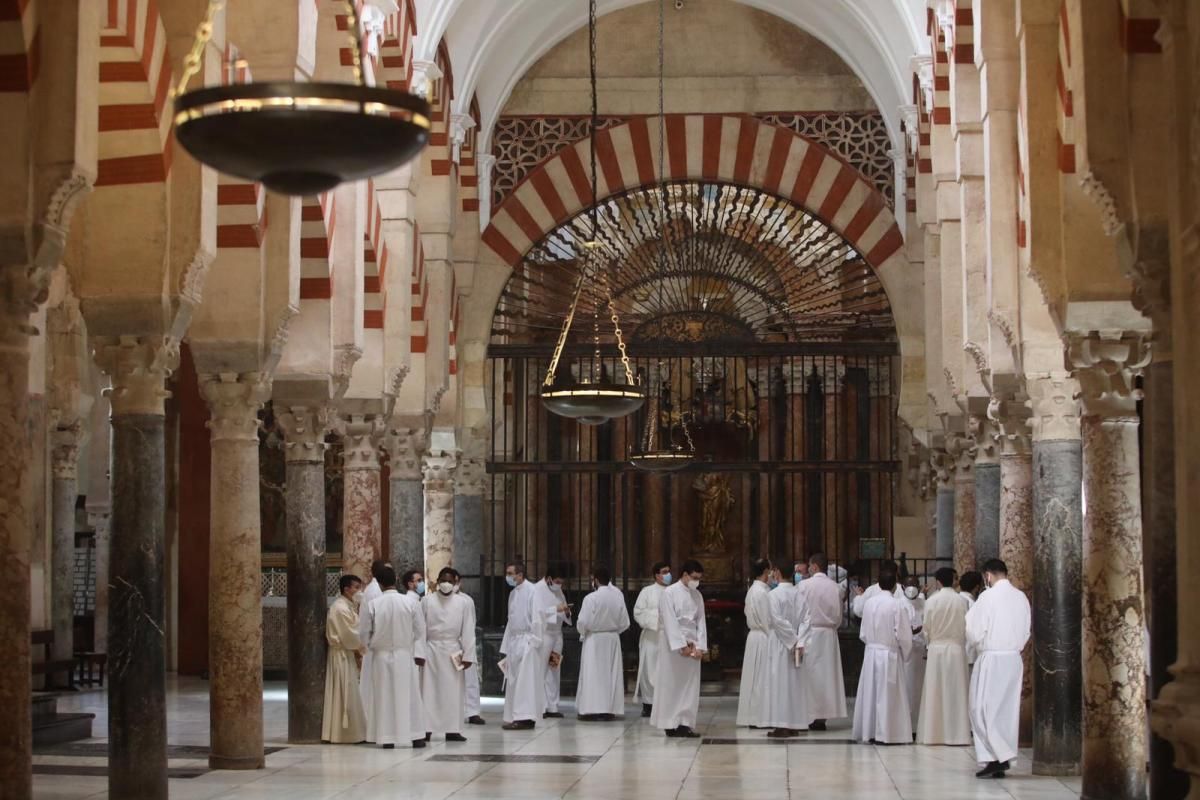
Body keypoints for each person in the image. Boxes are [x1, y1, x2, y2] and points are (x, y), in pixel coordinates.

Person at [966, 559, 1031, 778]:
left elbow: (974, 631)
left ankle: (997, 757)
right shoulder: (1021, 596)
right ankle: (1000, 756)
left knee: (982, 708)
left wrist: (976, 644)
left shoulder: (988, 596)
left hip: (992, 658)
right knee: (1006, 710)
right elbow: (1026, 630)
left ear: (988, 575)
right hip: (1013, 658)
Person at [357, 565, 427, 749]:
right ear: (396, 580)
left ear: (379, 583)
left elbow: (363, 632)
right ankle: (416, 735)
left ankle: (387, 737)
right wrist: (408, 641)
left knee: (384, 695)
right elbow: (420, 631)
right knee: (410, 694)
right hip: (404, 654)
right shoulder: (410, 603)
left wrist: (371, 643)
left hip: (381, 655)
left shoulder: (374, 604)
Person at [852, 570, 913, 744]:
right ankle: (886, 733)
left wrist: (873, 644)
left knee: (871, 693)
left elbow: (863, 633)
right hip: (889, 654)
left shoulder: (869, 603)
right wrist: (905, 652)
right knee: (887, 695)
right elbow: (903, 633)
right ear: (895, 585)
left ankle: (869, 731)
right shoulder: (897, 605)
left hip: (871, 653)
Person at [650, 559, 707, 738]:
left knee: (689, 686)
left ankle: (685, 723)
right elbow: (669, 621)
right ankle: (669, 723)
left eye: (699, 579)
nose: (696, 581)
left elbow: (701, 622)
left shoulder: (697, 595)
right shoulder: (670, 593)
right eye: (694, 577)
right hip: (673, 646)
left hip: (692, 644)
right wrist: (681, 645)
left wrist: (700, 647)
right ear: (684, 575)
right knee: (671, 684)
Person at [499, 561, 559, 730]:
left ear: (520, 574)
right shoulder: (513, 594)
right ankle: (514, 715)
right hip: (514, 640)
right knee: (514, 680)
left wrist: (533, 641)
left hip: (527, 641)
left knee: (526, 681)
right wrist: (507, 646)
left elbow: (538, 618)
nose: (508, 576)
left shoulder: (532, 591)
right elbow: (511, 621)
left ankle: (525, 717)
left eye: (511, 573)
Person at [917, 567, 971, 745]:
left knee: (935, 691)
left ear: (938, 582)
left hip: (936, 650)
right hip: (956, 650)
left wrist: (931, 641)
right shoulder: (961, 601)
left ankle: (934, 734)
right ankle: (957, 735)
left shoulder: (932, 601)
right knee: (956, 691)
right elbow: (967, 626)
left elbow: (926, 628)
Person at [422, 567, 476, 743]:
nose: (446, 584)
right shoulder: (427, 601)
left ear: (455, 583)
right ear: (437, 582)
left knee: (453, 691)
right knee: (429, 690)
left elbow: (468, 629)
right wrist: (419, 652)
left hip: (453, 649)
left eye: (450, 581)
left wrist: (468, 655)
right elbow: (419, 629)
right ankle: (427, 728)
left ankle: (452, 729)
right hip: (431, 648)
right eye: (443, 580)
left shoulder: (463, 603)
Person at [797, 552, 847, 730]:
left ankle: (809, 713)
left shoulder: (804, 585)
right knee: (827, 676)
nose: (808, 569)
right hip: (828, 635)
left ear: (815, 566)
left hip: (810, 633)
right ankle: (822, 717)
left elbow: (799, 611)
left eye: (810, 566)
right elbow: (839, 615)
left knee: (810, 675)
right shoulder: (836, 588)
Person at [575, 565, 631, 720]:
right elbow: (625, 622)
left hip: (594, 639)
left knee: (593, 674)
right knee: (611, 674)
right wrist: (613, 631)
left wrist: (583, 632)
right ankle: (608, 710)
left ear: (596, 580)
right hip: (612, 639)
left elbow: (582, 622)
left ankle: (591, 710)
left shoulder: (591, 598)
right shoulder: (617, 596)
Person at [764, 566, 811, 738]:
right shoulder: (799, 594)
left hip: (780, 642)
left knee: (779, 682)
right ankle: (793, 722)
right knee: (793, 682)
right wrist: (800, 640)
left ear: (777, 573)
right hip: (796, 643)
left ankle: (782, 724)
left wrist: (792, 641)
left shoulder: (773, 595)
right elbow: (807, 619)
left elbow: (777, 621)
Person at [322, 574, 367, 743]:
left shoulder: (349, 605)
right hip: (340, 654)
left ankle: (352, 732)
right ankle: (343, 734)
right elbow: (350, 634)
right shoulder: (340, 608)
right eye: (356, 587)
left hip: (346, 653)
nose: (359, 591)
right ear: (346, 589)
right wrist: (363, 644)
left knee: (350, 691)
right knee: (344, 691)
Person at [736, 557, 775, 727]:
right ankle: (759, 716)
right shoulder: (763, 592)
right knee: (761, 678)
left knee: (754, 678)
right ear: (766, 572)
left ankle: (752, 715)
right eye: (771, 570)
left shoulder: (753, 590)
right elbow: (768, 619)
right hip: (763, 636)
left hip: (754, 637)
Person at [632, 561, 671, 718]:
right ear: (656, 575)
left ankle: (666, 702)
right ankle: (648, 704)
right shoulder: (647, 592)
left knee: (666, 670)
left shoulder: (674, 591)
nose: (668, 574)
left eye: (669, 571)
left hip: (669, 638)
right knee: (649, 670)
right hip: (652, 636)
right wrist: (658, 618)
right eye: (664, 571)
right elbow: (639, 612)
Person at [538, 563, 571, 719]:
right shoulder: (537, 589)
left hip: (557, 635)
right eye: (557, 581)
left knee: (554, 668)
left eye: (561, 583)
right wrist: (555, 610)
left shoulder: (558, 590)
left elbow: (563, 607)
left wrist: (566, 611)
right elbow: (537, 613)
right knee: (541, 669)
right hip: (545, 634)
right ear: (549, 578)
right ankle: (541, 705)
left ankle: (552, 706)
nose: (559, 585)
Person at [358, 559, 391, 716]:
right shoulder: (374, 591)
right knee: (373, 686)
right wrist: (365, 644)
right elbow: (367, 622)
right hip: (375, 645)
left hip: (378, 645)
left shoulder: (376, 589)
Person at [454, 581, 486, 726]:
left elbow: (471, 623)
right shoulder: (433, 600)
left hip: (466, 642)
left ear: (459, 582)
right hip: (448, 644)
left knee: (471, 679)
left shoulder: (467, 600)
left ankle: (473, 712)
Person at [901, 575, 927, 732]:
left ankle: (918, 726)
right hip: (906, 653)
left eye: (915, 584)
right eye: (908, 584)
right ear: (902, 587)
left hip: (921, 652)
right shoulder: (899, 604)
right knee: (907, 688)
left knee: (919, 690)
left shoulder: (924, 603)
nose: (912, 588)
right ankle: (906, 726)